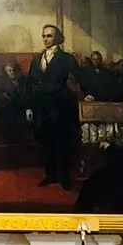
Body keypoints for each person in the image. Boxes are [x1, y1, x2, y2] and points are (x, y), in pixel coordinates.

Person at [25, 24, 81, 186]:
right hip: (40, 107)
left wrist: (89, 93)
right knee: (45, 141)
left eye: (49, 36)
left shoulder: (67, 58)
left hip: (59, 106)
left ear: (57, 38)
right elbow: (29, 84)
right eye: (44, 36)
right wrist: (29, 106)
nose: (45, 39)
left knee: (61, 141)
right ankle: (50, 175)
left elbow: (81, 77)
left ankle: (64, 177)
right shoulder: (36, 59)